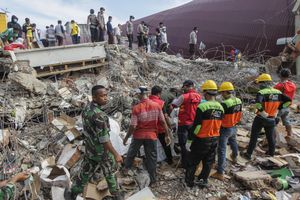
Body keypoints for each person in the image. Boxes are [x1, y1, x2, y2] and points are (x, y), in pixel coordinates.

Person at [71, 85, 124, 199]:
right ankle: (117, 196)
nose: (106, 98)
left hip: (90, 150)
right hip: (102, 152)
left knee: (85, 172)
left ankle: (73, 192)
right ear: (94, 97)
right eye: (102, 96)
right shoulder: (100, 115)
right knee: (110, 173)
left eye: (106, 95)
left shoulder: (86, 109)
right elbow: (104, 139)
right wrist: (116, 154)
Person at [123, 86, 171, 185]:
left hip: (138, 136)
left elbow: (133, 125)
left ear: (140, 95)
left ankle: (126, 170)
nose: (136, 96)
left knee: (131, 153)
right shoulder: (157, 106)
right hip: (151, 136)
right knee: (152, 157)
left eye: (137, 94)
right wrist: (167, 135)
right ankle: (153, 179)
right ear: (147, 94)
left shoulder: (136, 108)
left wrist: (126, 137)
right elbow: (162, 121)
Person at [241, 74, 291, 160]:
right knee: (270, 137)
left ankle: (248, 154)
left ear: (263, 83)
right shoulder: (278, 92)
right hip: (272, 119)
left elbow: (257, 104)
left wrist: (263, 112)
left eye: (260, 83)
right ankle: (271, 153)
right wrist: (278, 108)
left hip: (260, 118)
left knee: (254, 136)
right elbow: (289, 101)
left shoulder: (261, 93)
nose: (259, 85)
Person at [185, 80, 224, 188]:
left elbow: (197, 126)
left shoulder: (202, 107)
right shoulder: (221, 107)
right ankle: (203, 181)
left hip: (202, 139)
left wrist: (189, 140)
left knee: (192, 161)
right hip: (215, 138)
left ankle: (189, 182)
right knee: (208, 162)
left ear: (206, 93)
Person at [211, 82, 242, 181]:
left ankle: (220, 172)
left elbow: (218, 116)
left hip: (225, 128)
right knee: (233, 142)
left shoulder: (225, 103)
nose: (221, 95)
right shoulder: (238, 100)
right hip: (233, 126)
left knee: (222, 150)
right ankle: (235, 156)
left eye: (222, 93)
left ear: (225, 92)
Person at [171, 80, 201, 168]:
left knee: (183, 144)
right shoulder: (198, 96)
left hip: (183, 123)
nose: (183, 88)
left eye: (183, 87)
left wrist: (179, 94)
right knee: (191, 143)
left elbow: (174, 104)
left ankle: (185, 163)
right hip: (193, 123)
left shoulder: (183, 96)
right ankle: (192, 161)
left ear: (186, 86)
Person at [149, 86, 173, 165]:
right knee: (166, 144)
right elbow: (165, 117)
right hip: (160, 128)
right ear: (159, 93)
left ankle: (152, 161)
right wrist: (169, 127)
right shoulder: (160, 103)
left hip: (148, 128)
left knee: (150, 146)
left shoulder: (146, 101)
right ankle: (170, 160)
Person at [274, 68, 297, 137]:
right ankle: (290, 135)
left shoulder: (278, 86)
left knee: (274, 121)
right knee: (286, 120)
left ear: (280, 75)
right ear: (289, 75)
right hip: (287, 106)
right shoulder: (293, 85)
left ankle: (273, 137)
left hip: (279, 107)